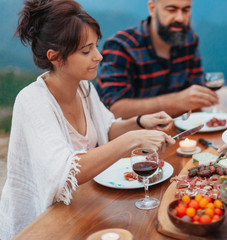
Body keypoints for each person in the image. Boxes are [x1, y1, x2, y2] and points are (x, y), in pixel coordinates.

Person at [0, 1, 175, 239]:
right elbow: (67, 173)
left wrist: (141, 122)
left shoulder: (84, 88)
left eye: (96, 46)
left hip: (84, 206)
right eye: (86, 51)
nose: (99, 56)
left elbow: (107, 129)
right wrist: (134, 139)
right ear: (55, 57)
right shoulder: (32, 101)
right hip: (42, 224)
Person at [96, 0, 219, 119]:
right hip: (132, 136)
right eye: (172, 10)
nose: (180, 18)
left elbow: (195, 91)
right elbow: (114, 109)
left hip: (177, 130)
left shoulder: (189, 39)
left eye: (186, 10)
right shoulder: (121, 46)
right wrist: (176, 101)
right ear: (152, 8)